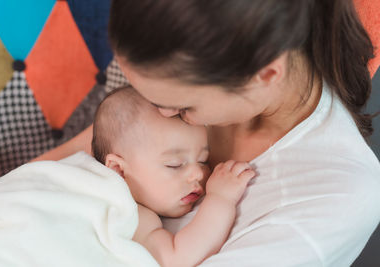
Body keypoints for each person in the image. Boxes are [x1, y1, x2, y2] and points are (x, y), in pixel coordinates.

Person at [34, 0, 380, 266]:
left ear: (264, 74)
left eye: (182, 107)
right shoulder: (184, 63)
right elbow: (61, 169)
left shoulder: (334, 194)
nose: (161, 113)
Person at [91, 86, 255, 267]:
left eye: (203, 160)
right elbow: (177, 259)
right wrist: (221, 198)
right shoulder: (127, 213)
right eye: (175, 164)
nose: (198, 173)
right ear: (118, 170)